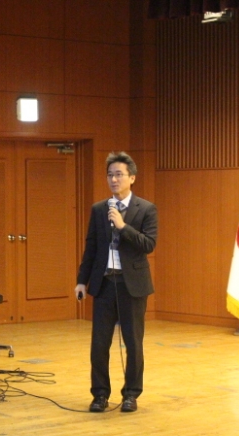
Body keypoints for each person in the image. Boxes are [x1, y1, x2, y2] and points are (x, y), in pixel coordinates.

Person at [75, 151, 158, 413]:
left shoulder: (146, 209)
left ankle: (131, 394)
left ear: (132, 178)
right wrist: (81, 281)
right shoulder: (100, 209)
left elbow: (148, 244)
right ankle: (100, 394)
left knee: (133, 343)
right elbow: (91, 247)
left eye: (119, 174)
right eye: (110, 175)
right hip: (104, 284)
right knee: (99, 344)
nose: (113, 179)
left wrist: (123, 226)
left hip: (132, 285)